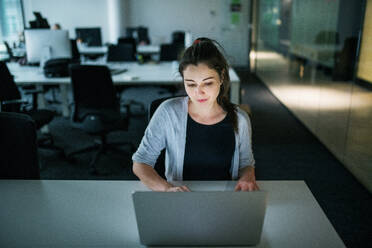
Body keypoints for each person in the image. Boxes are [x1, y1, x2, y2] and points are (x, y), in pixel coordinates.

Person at [132, 37, 258, 192]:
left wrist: (247, 176)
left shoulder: (240, 119)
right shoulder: (168, 112)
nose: (199, 92)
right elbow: (141, 163)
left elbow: (246, 164)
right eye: (191, 84)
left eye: (208, 83)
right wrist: (166, 189)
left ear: (222, 77)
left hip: (224, 199)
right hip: (180, 199)